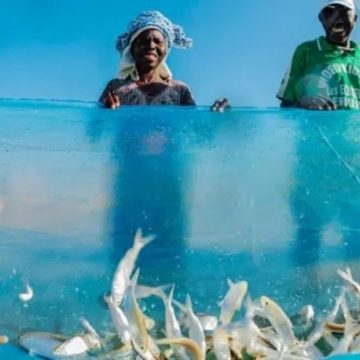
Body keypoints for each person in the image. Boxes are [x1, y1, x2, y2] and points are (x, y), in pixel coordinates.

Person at [99, 11, 196, 108]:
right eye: (144, 41)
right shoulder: (116, 88)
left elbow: (195, 122)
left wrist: (211, 117)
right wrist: (106, 113)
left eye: (158, 41)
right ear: (132, 49)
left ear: (166, 50)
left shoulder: (180, 90)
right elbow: (96, 122)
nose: (151, 46)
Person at [277, 0, 360, 110]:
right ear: (321, 18)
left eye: (344, 11)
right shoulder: (306, 52)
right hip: (317, 127)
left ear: (355, 18)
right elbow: (286, 105)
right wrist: (301, 103)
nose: (337, 17)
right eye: (330, 11)